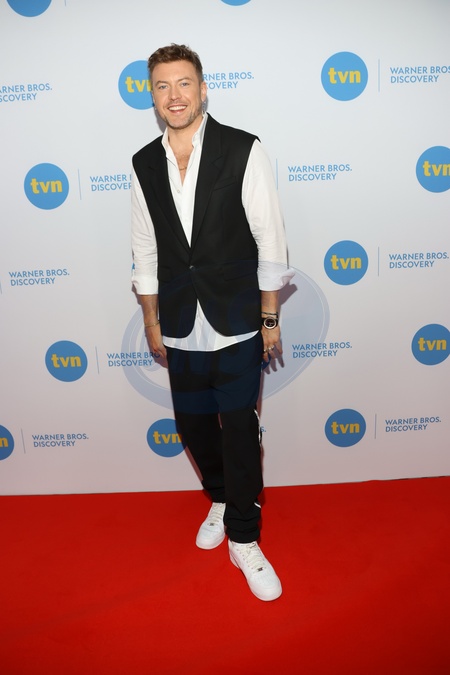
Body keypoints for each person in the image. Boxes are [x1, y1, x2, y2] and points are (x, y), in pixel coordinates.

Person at [131, 44, 292, 602]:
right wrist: (151, 318)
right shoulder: (144, 163)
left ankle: (245, 538)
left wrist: (268, 317)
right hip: (179, 319)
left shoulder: (242, 149)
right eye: (162, 85)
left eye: (183, 83)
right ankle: (221, 497)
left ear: (202, 89)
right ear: (152, 96)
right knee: (195, 426)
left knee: (240, 428)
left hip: (238, 318)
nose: (174, 95)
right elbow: (144, 247)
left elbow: (270, 238)